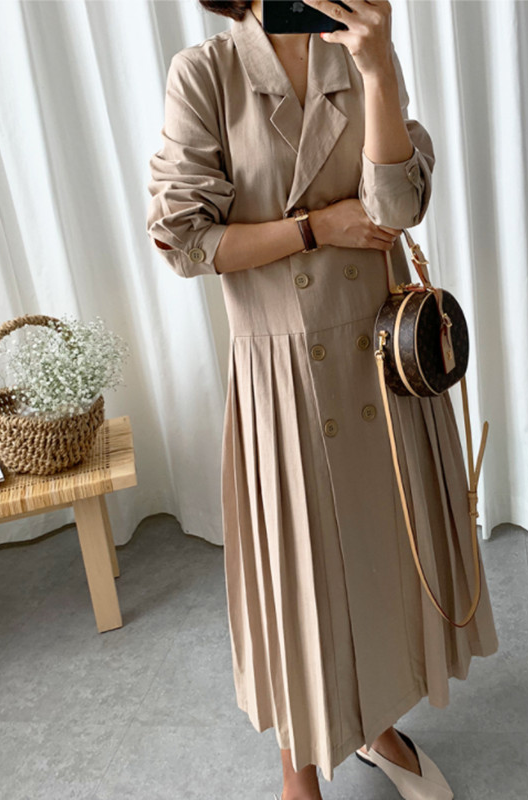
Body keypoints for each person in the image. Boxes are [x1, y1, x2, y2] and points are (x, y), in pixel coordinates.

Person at [147, 1, 499, 798]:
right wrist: (316, 228)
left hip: (380, 360)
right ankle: (298, 768)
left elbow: (398, 209)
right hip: (283, 370)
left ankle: (376, 724)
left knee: (383, 554)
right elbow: (185, 241)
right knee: (299, 577)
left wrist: (377, 66)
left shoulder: (356, 54)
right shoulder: (207, 73)